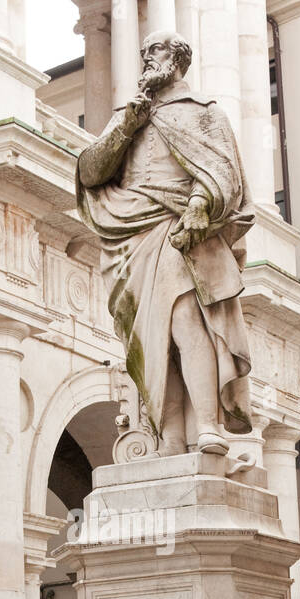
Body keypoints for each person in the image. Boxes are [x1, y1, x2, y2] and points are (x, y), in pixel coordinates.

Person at [77, 31, 254, 457]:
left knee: (185, 322)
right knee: (152, 340)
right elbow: (90, 173)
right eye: (142, 52)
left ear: (178, 59)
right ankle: (170, 435)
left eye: (154, 50)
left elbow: (224, 171)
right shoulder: (129, 114)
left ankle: (208, 425)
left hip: (178, 231)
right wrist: (125, 127)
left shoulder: (204, 113)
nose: (145, 58)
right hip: (131, 237)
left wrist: (197, 206)